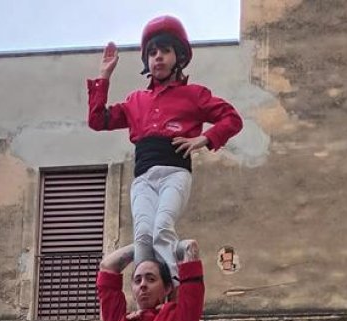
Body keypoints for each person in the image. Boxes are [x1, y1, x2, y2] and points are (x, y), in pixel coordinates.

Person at [87, 15, 243, 284]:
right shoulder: (136, 100)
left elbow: (232, 119)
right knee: (143, 234)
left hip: (174, 172)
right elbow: (97, 120)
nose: (158, 57)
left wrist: (203, 139)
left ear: (178, 57)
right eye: (152, 52)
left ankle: (173, 287)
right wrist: (104, 76)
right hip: (144, 178)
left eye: (165, 50)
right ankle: (145, 296)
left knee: (161, 228)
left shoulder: (194, 94)